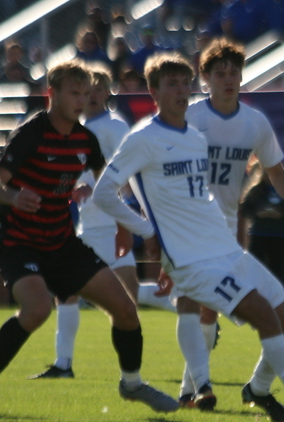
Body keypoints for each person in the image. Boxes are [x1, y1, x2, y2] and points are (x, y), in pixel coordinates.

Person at [93, 51, 284, 422]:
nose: (179, 90)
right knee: (261, 315)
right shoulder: (143, 138)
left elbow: (200, 199)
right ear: (153, 92)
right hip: (192, 262)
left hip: (225, 250)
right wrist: (147, 231)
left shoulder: (193, 137)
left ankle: (254, 390)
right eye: (170, 84)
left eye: (183, 83)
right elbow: (104, 192)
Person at [0, 60, 178, 422]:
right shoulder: (32, 133)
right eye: (74, 93)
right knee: (37, 309)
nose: (82, 100)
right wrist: (14, 197)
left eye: (86, 93)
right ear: (53, 94)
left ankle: (132, 384)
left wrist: (125, 226)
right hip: (21, 243)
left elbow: (110, 187)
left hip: (62, 245)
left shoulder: (86, 140)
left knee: (126, 310)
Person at [180, 37, 284, 411]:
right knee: (199, 307)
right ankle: (192, 390)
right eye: (220, 73)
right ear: (205, 78)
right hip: (192, 236)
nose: (229, 79)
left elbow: (277, 171)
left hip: (227, 240)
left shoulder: (253, 122)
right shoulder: (190, 119)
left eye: (234, 73)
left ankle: (255, 387)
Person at [32, 67, 176, 379]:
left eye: (98, 89)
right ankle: (63, 364)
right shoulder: (77, 127)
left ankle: (191, 309)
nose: (92, 95)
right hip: (88, 225)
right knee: (69, 291)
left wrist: (99, 190)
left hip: (113, 225)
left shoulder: (113, 126)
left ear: (108, 93)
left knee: (126, 297)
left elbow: (125, 170)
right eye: (86, 90)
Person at [240, 162, 284, 284]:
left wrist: (280, 213)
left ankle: (278, 297)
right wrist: (259, 213)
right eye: (267, 175)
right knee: (255, 265)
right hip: (259, 233)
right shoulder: (255, 191)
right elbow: (245, 209)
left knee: (277, 268)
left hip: (280, 234)